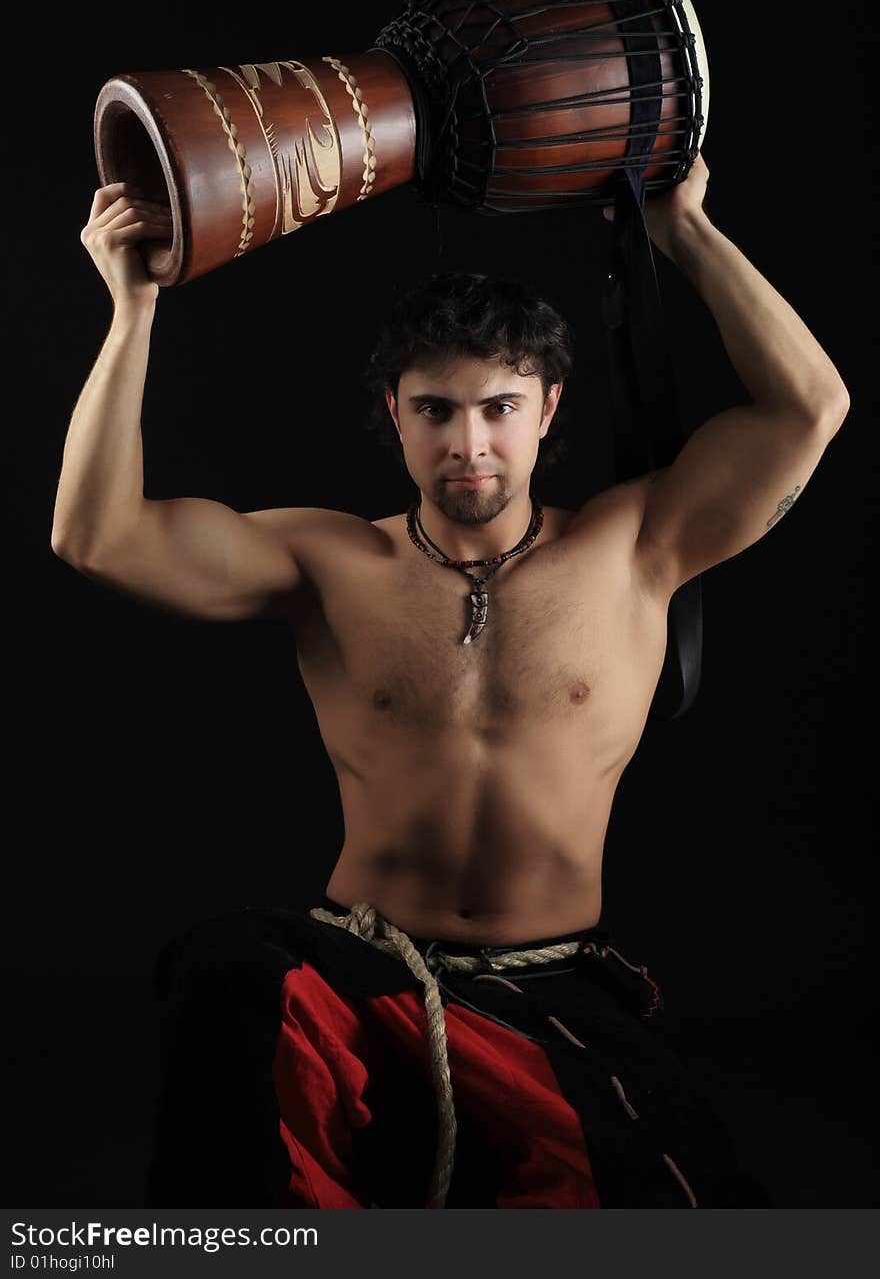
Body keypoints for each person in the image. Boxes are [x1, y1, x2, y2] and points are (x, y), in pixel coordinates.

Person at [53, 156, 849, 1208]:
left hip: (552, 988)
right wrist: (132, 308)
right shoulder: (330, 563)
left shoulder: (637, 544)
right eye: (434, 410)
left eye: (498, 407)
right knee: (229, 976)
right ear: (393, 414)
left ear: (548, 408)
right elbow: (96, 535)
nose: (467, 445)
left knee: (669, 1209)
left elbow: (811, 408)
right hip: (360, 979)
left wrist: (684, 231)